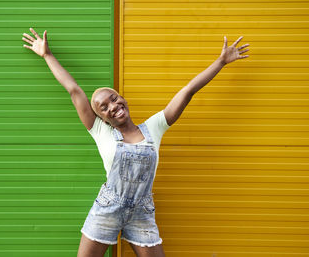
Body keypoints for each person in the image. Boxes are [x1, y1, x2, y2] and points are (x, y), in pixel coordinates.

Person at [22, 28, 250, 257]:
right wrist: (47, 55)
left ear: (122, 98)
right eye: (104, 107)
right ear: (102, 118)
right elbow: (74, 90)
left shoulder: (154, 127)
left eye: (114, 98)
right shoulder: (101, 132)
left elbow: (188, 91)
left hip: (141, 213)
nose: (112, 106)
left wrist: (220, 62)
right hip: (106, 211)